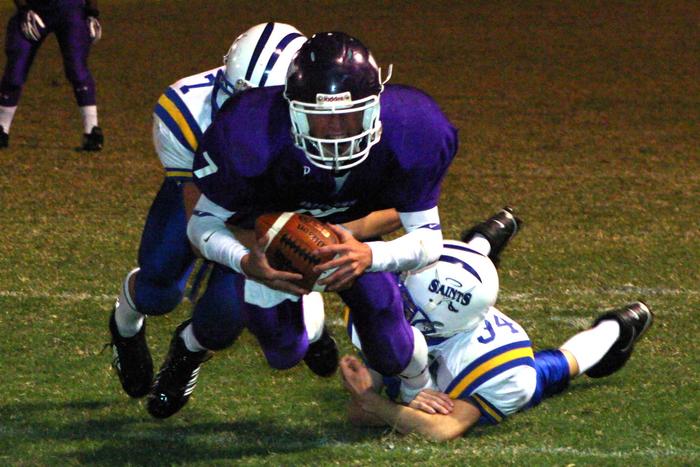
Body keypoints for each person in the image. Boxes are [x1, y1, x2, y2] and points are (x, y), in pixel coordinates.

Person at [146, 31, 458, 418]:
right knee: (282, 352)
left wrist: (367, 255)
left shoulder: (415, 126)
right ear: (290, 109)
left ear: (376, 106)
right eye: (321, 118)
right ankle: (200, 344)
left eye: (349, 115)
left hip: (352, 238)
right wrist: (246, 260)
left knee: (391, 345)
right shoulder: (251, 131)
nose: (337, 130)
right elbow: (202, 225)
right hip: (273, 240)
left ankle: (418, 386)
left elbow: (428, 239)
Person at [108, 22, 313, 400]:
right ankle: (124, 325)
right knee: (157, 291)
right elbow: (197, 222)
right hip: (203, 194)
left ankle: (188, 350)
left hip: (263, 210)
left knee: (223, 318)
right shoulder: (186, 110)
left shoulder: (321, 118)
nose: (245, 116)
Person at [340, 208, 654, 441]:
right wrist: (380, 400)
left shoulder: (498, 367)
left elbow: (442, 429)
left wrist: (374, 402)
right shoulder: (433, 305)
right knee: (455, 274)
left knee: (554, 368)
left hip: (479, 346)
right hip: (460, 311)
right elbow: (357, 414)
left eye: (408, 300)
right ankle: (484, 239)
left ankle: (616, 328)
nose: (397, 300)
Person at [0, 0, 103, 150]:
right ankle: (2, 128)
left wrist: (92, 11)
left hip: (70, 8)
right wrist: (23, 8)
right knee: (16, 67)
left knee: (77, 69)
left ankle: (92, 130)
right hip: (35, 7)